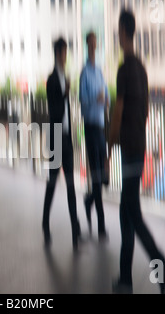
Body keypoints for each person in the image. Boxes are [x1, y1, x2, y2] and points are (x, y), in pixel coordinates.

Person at [108, 10, 165, 294]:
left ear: (123, 31)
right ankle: (125, 278)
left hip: (129, 149)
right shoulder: (142, 69)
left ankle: (162, 268)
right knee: (126, 211)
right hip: (139, 146)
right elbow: (145, 110)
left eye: (118, 30)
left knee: (132, 211)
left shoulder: (125, 69)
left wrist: (110, 144)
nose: (117, 34)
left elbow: (118, 110)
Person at [42, 37, 81, 250]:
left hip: (66, 137)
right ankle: (45, 221)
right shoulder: (52, 80)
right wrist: (65, 95)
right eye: (64, 53)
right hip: (57, 136)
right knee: (53, 181)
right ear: (58, 54)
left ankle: (75, 229)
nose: (66, 56)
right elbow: (54, 112)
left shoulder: (64, 77)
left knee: (70, 184)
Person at [80, 31, 109, 241]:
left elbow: (106, 96)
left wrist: (105, 99)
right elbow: (82, 100)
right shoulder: (85, 73)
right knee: (98, 176)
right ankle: (100, 224)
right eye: (90, 45)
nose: (93, 48)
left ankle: (90, 199)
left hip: (100, 127)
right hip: (90, 127)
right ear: (86, 46)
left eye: (95, 45)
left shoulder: (99, 72)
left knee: (103, 177)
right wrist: (95, 97)